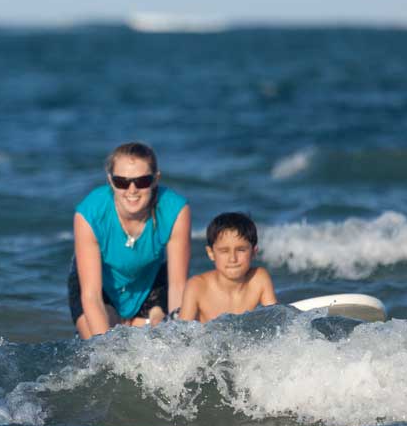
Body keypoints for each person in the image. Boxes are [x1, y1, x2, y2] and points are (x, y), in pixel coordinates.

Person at [68, 142, 191, 338]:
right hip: (100, 290)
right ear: (110, 181)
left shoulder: (176, 210)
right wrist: (107, 349)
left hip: (150, 285)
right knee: (98, 345)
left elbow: (178, 286)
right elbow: (91, 296)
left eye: (142, 181)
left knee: (155, 344)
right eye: (122, 182)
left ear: (155, 179)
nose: (132, 190)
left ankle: (155, 313)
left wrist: (178, 340)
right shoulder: (89, 212)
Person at [178, 212, 277, 322]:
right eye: (224, 251)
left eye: (241, 250)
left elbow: (276, 322)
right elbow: (181, 335)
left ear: (254, 252)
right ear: (211, 253)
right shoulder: (197, 287)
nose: (233, 259)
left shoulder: (259, 279)